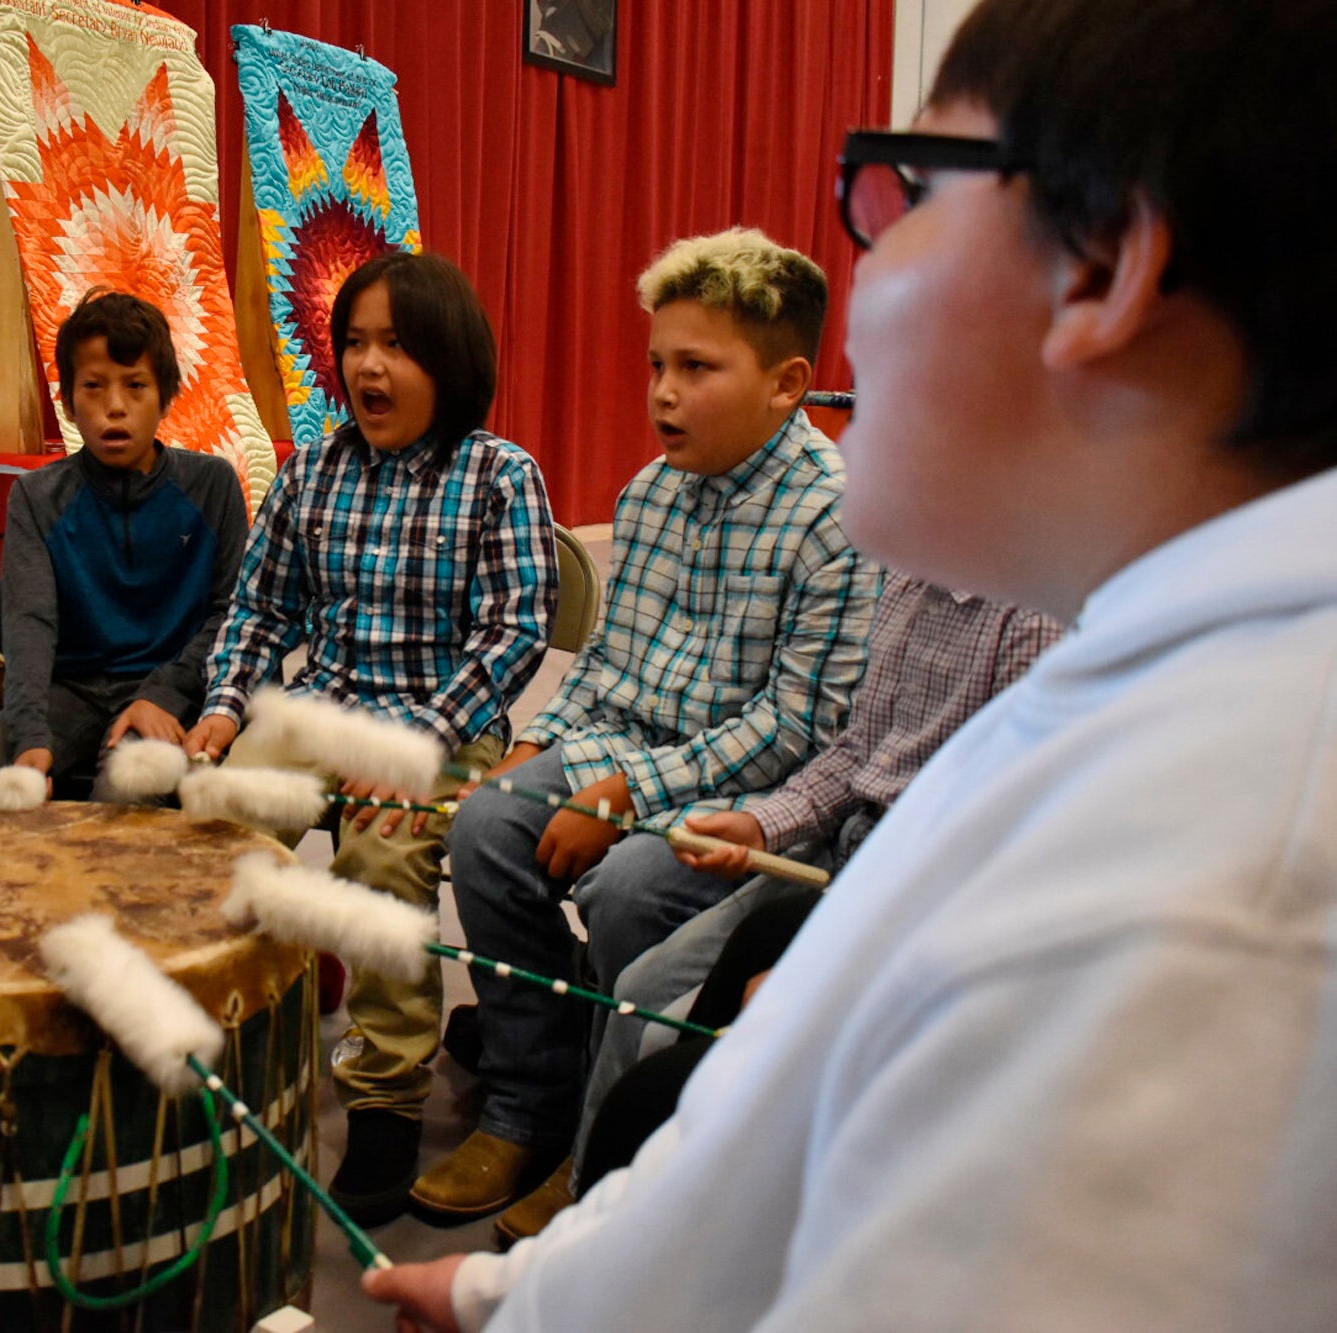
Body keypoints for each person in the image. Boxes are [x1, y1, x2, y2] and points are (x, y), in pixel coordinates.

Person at [366, 0, 1337, 1327]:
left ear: (1104, 266)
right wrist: (508, 1293)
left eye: (911, 192)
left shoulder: (1194, 893)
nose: (866, 278)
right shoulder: (1132, 685)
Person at [420, 228, 878, 1221]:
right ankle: (526, 1101)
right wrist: (542, 747)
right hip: (622, 753)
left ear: (787, 383)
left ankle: (607, 1127)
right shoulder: (648, 491)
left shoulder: (838, 520)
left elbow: (799, 723)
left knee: (633, 886)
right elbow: (609, 667)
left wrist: (627, 797)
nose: (660, 392)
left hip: (748, 798)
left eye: (695, 368)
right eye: (655, 365)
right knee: (483, 825)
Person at [493, 574, 1061, 1243]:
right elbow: (857, 750)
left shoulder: (1038, 616)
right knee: (641, 990)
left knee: (665, 1032)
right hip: (844, 849)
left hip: (914, 889)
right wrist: (764, 826)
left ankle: (653, 1218)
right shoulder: (913, 572)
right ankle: (594, 1184)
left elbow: (1006, 819)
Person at [185, 250, 559, 1225]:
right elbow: (263, 610)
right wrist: (225, 705)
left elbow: (515, 632)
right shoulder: (313, 467)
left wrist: (409, 748)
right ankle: (238, 1032)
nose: (367, 366)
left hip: (447, 725)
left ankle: (385, 1094)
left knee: (379, 851)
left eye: (395, 344)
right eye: (352, 342)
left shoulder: (498, 475)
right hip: (328, 704)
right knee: (212, 815)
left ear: (449, 356)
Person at [0, 290, 247, 805]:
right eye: (94, 387)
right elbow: (29, 623)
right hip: (67, 689)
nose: (115, 407)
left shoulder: (211, 486)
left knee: (126, 799)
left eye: (136, 386)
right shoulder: (37, 497)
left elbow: (230, 615)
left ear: (167, 395)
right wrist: (30, 736)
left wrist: (164, 692)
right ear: (68, 402)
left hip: (167, 688)